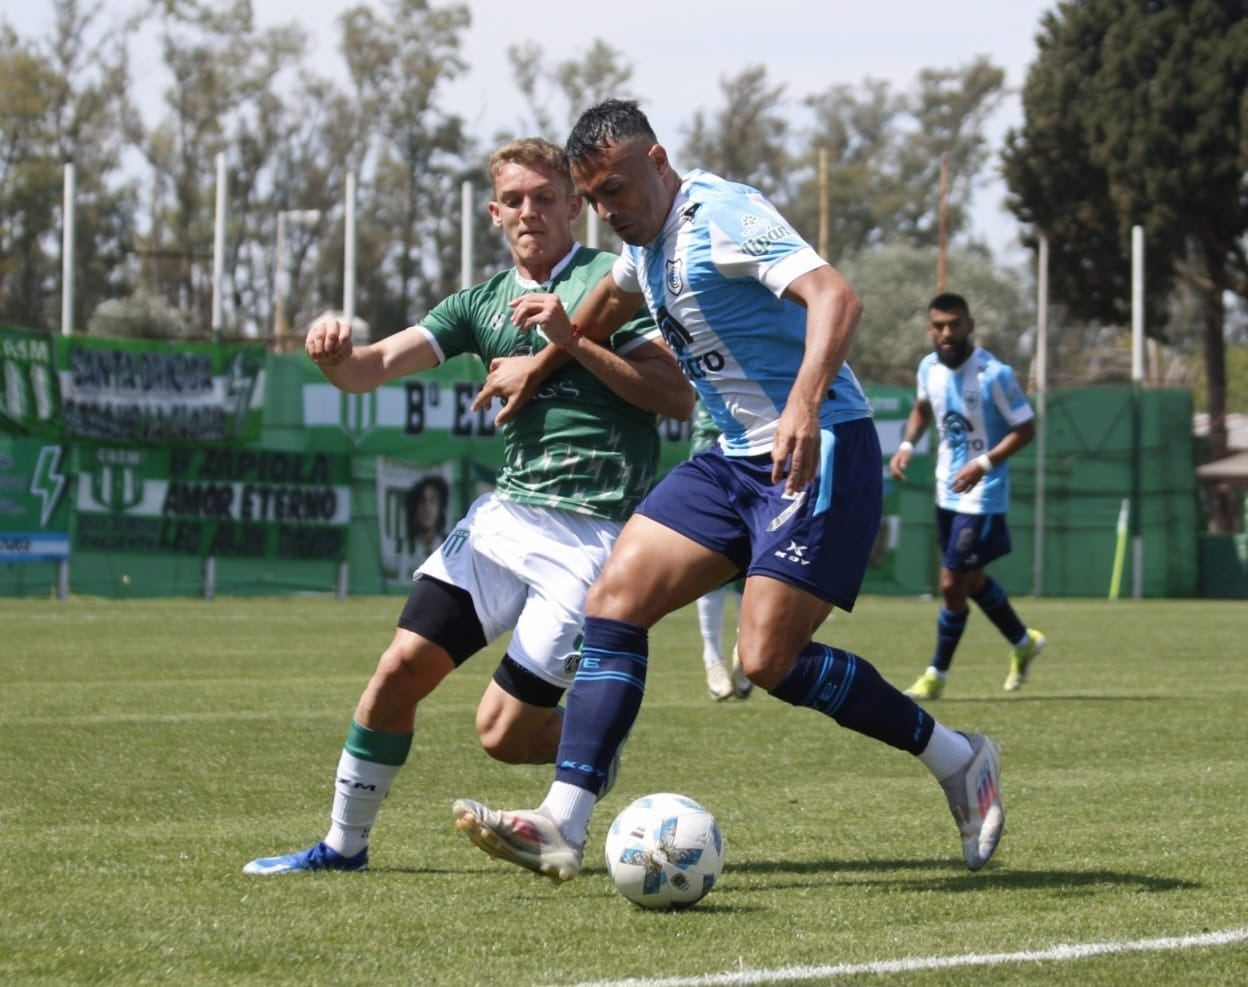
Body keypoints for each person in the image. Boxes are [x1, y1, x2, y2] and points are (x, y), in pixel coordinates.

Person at [452, 99, 1006, 882]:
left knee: (769, 660)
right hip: (731, 461)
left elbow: (836, 298)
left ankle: (959, 757)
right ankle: (563, 822)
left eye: (615, 190)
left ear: (658, 159)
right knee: (614, 601)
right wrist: (543, 360)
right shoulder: (641, 243)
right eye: (597, 200)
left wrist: (806, 406)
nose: (610, 213)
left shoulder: (723, 215)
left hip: (820, 449)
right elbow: (608, 300)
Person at [242, 137, 693, 875]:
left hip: (591, 540)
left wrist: (569, 341)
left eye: (545, 198)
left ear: (574, 208)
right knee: (397, 670)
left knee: (502, 734)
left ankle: (587, 749)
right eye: (514, 200)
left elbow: (675, 395)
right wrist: (333, 358)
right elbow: (372, 367)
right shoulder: (478, 303)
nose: (529, 212)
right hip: (504, 521)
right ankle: (342, 845)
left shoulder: (613, 280)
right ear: (494, 212)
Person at [888, 292, 1046, 699]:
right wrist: (907, 445)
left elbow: (1025, 428)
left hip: (983, 492)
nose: (946, 333)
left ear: (970, 326)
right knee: (970, 580)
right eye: (939, 325)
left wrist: (984, 465)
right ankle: (1022, 641)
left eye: (954, 324)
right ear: (930, 329)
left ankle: (936, 674)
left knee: (949, 582)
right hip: (946, 489)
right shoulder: (928, 368)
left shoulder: (995, 374)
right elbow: (922, 408)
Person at [689, 398, 750, 701]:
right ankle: (712, 656)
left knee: (755, 565)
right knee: (710, 560)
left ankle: (746, 648)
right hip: (710, 449)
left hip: (757, 446)